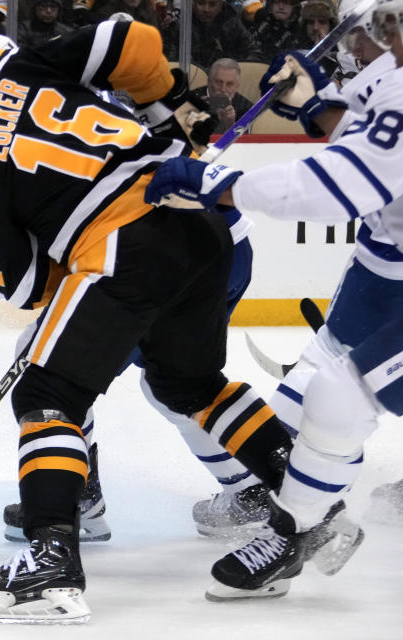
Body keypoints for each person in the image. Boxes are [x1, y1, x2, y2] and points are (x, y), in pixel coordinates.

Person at [0, 20, 299, 623]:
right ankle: (310, 503)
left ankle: (52, 554)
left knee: (48, 388)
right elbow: (124, 39)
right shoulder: (15, 71)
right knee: (182, 383)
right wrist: (176, 108)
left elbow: (34, 283)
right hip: (204, 227)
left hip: (125, 248)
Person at [141, 0, 403, 601]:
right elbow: (357, 129)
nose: (350, 46)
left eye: (361, 32)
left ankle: (294, 534)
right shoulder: (386, 72)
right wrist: (308, 104)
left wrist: (224, 184)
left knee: (340, 399)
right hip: (376, 275)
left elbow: (343, 182)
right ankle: (300, 507)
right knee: (293, 415)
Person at [163, 0, 260, 69]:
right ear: (193, 2)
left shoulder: (231, 21)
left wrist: (236, 69)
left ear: (221, 4)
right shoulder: (180, 24)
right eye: (200, 3)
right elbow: (170, 61)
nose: (206, 9)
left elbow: (254, 51)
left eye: (212, 4)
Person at [191, 58, 255, 135]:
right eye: (218, 82)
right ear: (209, 81)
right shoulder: (190, 100)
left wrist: (230, 125)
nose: (223, 89)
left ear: (237, 86)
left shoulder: (246, 108)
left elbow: (243, 144)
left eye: (229, 84)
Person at [249, 0, 301, 64]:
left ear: (294, 6)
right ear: (270, 5)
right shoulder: (260, 26)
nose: (281, 7)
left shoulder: (302, 30)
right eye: (276, 2)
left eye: (287, 2)